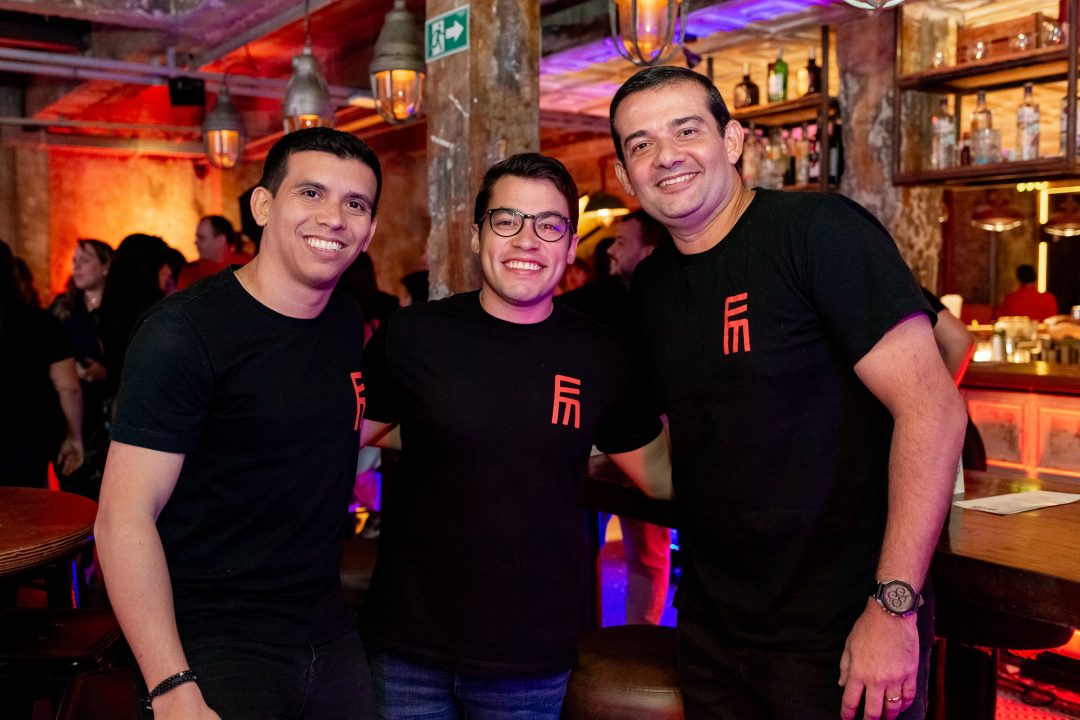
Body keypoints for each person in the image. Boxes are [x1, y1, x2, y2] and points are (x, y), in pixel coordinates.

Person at [608, 66, 967, 720]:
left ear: (733, 141)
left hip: (842, 629)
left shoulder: (816, 230)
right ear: (625, 176)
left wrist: (892, 608)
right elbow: (694, 452)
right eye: (641, 144)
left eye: (686, 131)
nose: (666, 156)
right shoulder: (654, 285)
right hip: (715, 629)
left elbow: (933, 407)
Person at [358, 153, 670, 719]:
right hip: (408, 644)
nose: (527, 240)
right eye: (507, 221)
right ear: (477, 235)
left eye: (549, 225)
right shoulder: (415, 334)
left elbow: (659, 476)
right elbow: (341, 435)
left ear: (571, 246)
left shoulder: (602, 353)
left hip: (529, 655)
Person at [94, 127, 383, 720]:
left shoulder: (343, 318)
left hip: (326, 627)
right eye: (311, 193)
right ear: (263, 206)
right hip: (213, 636)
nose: (334, 217)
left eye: (355, 204)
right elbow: (123, 518)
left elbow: (324, 426)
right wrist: (170, 685)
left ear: (369, 231)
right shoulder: (183, 333)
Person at [0, 239, 84, 489]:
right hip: (26, 439)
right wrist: (74, 437)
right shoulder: (41, 323)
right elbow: (68, 387)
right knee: (29, 506)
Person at [50, 239, 114, 498]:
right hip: (71, 413)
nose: (76, 267)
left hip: (107, 414)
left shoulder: (118, 311)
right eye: (74, 261)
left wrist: (107, 371)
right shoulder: (62, 308)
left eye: (85, 261)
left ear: (105, 266)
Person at [176, 215, 250, 291]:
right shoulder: (191, 271)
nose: (195, 242)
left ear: (220, 240)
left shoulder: (248, 264)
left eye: (202, 238)